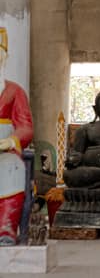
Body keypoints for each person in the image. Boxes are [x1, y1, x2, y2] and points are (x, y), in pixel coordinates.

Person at [0, 29, 33, 245]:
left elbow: (26, 126)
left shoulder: (14, 91)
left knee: (13, 168)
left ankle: (6, 227)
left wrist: (11, 140)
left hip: (4, 149)